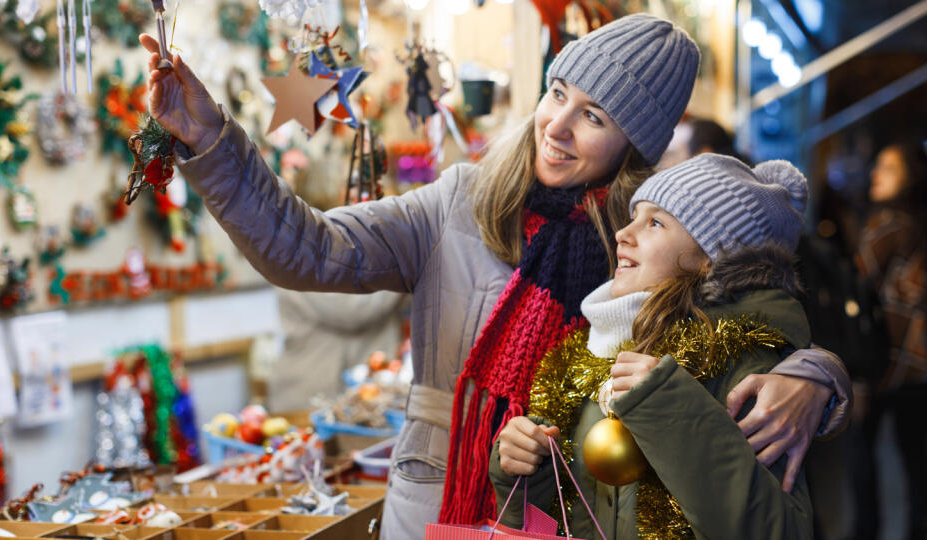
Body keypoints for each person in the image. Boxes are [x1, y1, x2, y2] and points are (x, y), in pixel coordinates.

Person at [138, 14, 850, 538]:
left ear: (634, 144)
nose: (558, 126)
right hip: (437, 499)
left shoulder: (643, 239)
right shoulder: (460, 200)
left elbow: (748, 311)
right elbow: (310, 249)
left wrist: (818, 374)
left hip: (567, 511)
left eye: (593, 116)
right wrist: (212, 143)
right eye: (558, 93)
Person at [491, 155, 815, 538]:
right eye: (633, 218)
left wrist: (673, 408)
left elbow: (776, 531)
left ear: (709, 259)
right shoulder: (591, 351)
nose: (622, 235)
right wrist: (524, 469)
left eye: (655, 222)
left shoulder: (745, 363)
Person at [854, 141, 927, 540]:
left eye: (888, 168)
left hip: (889, 361)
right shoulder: (917, 223)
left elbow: (859, 280)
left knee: (865, 461)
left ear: (911, 176)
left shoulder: (888, 223)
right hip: (916, 364)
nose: (874, 173)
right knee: (916, 462)